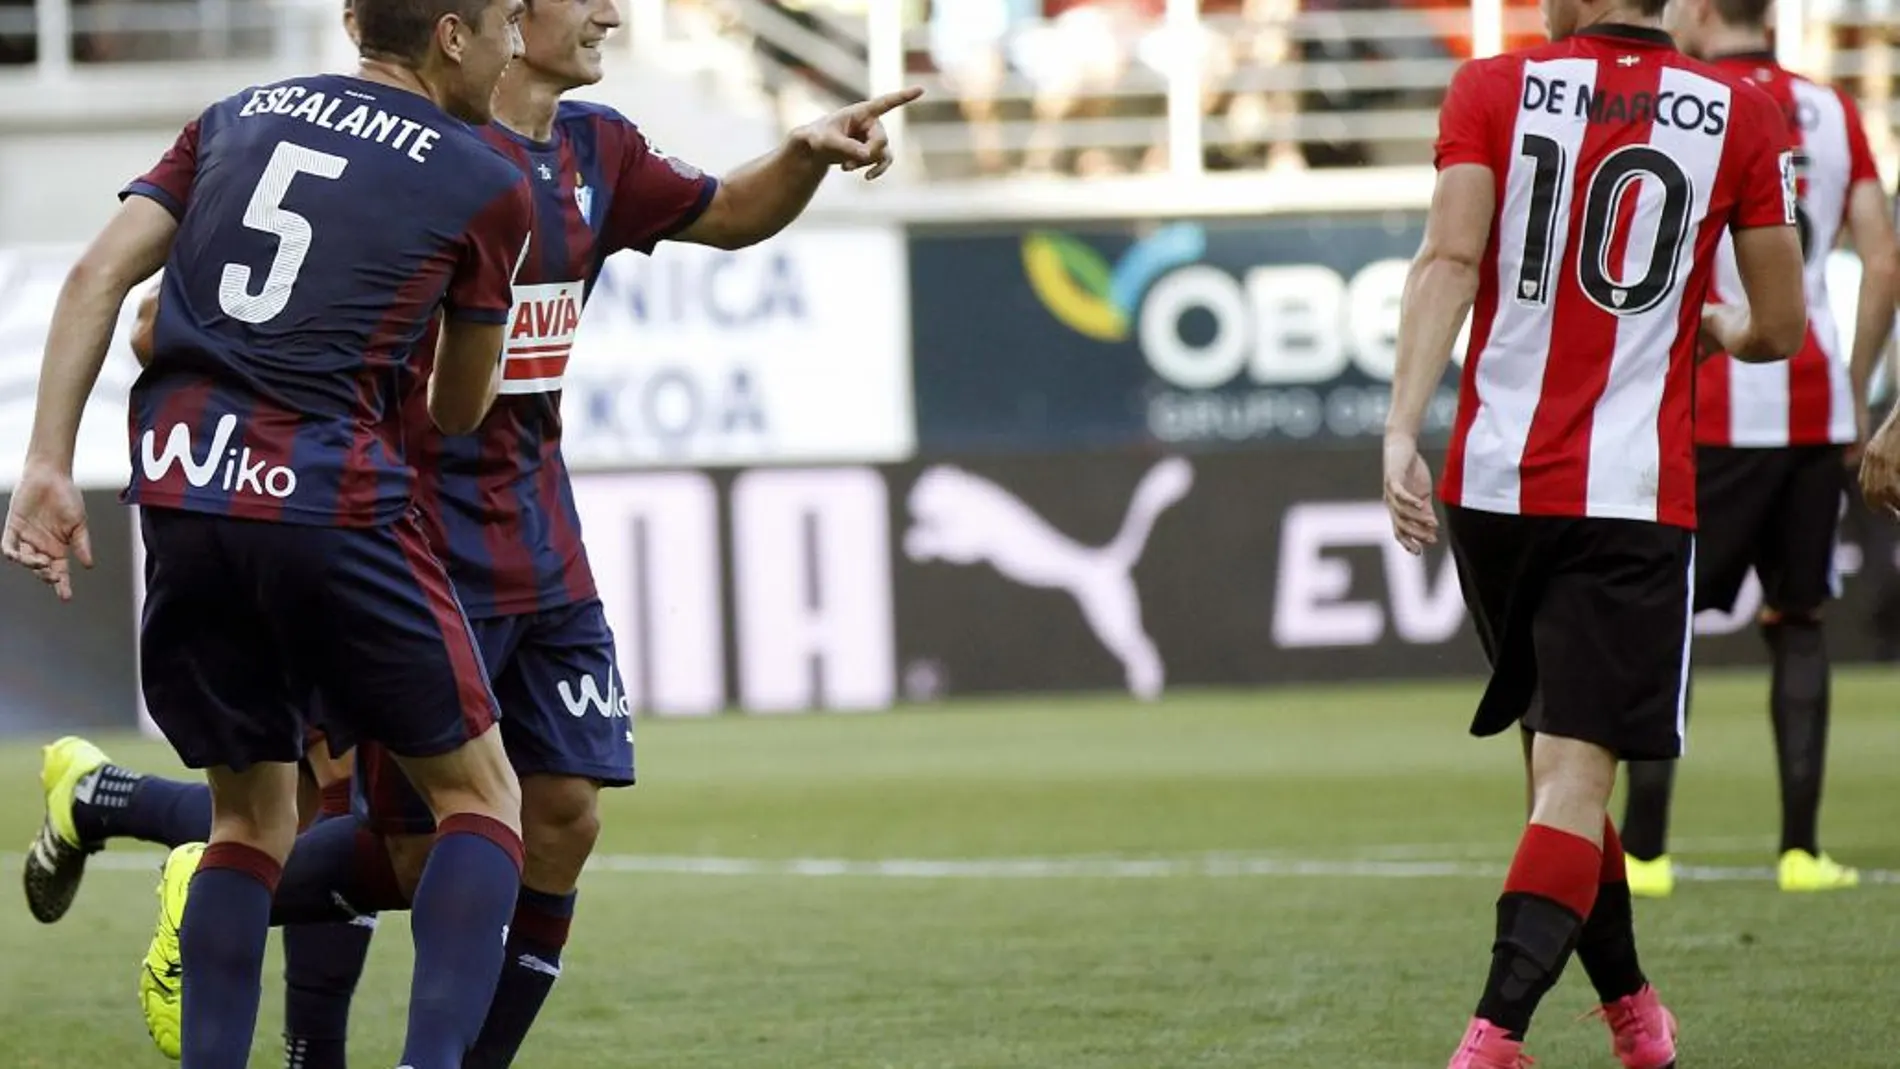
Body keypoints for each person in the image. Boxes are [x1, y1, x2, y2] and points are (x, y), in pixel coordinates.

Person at [21, 1, 921, 1065]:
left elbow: (724, 211)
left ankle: (127, 815)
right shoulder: (455, 171)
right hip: (375, 516)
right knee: (389, 829)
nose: (611, 14)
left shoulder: (595, 148)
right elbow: (398, 383)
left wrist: (802, 157)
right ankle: (272, 976)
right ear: (476, 28)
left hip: (506, 529)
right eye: (549, 1)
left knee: (551, 813)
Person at [0, 0, 539, 1064]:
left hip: (184, 489)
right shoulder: (486, 178)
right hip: (327, 499)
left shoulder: (235, 116)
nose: (514, 47)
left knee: (247, 822)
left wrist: (48, 467)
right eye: (502, 25)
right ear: (450, 35)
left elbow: (95, 278)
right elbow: (460, 408)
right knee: (481, 797)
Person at [1380, 0, 1807, 1062]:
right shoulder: (1741, 115)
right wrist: (1715, 327)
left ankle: (1634, 1014)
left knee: (1554, 776)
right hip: (1626, 492)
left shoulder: (1491, 86)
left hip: (1494, 485)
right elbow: (1780, 327)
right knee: (1573, 781)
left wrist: (1398, 429)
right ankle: (1490, 1039)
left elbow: (1447, 261)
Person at [1616, 0, 1899, 899]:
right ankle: (1801, 851)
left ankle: (1646, 853)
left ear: (1700, 14)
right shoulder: (1832, 109)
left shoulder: (1687, 103)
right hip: (1813, 404)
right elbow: (1882, 260)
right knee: (1801, 620)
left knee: (1667, 622)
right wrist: (1856, 388)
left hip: (1712, 403)